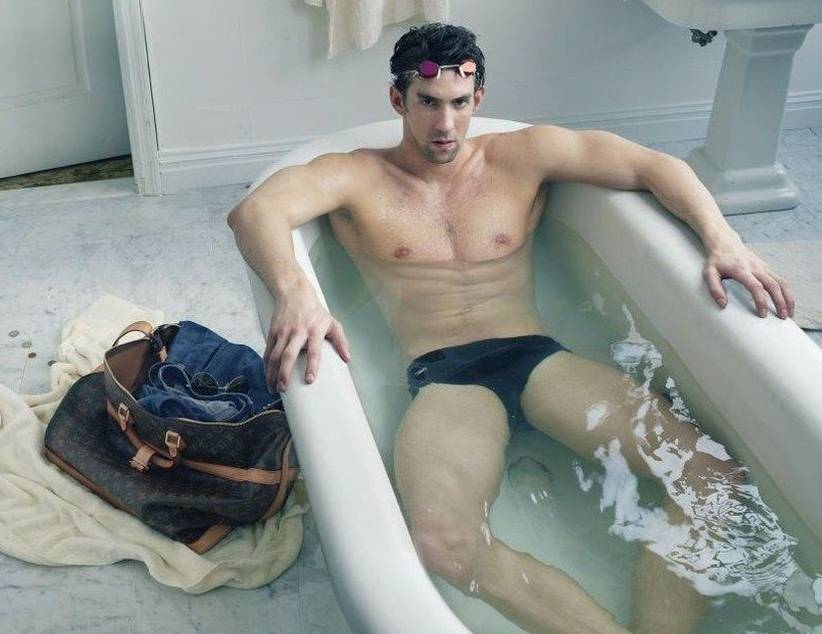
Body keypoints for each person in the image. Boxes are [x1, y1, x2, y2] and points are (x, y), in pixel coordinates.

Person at [226, 23, 796, 634]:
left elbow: (653, 166)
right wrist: (295, 291)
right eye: (427, 103)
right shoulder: (357, 176)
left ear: (479, 99)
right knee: (444, 543)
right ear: (398, 100)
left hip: (538, 358)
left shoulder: (522, 156)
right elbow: (255, 210)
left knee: (710, 476)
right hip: (447, 377)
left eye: (459, 103)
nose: (445, 123)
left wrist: (723, 240)